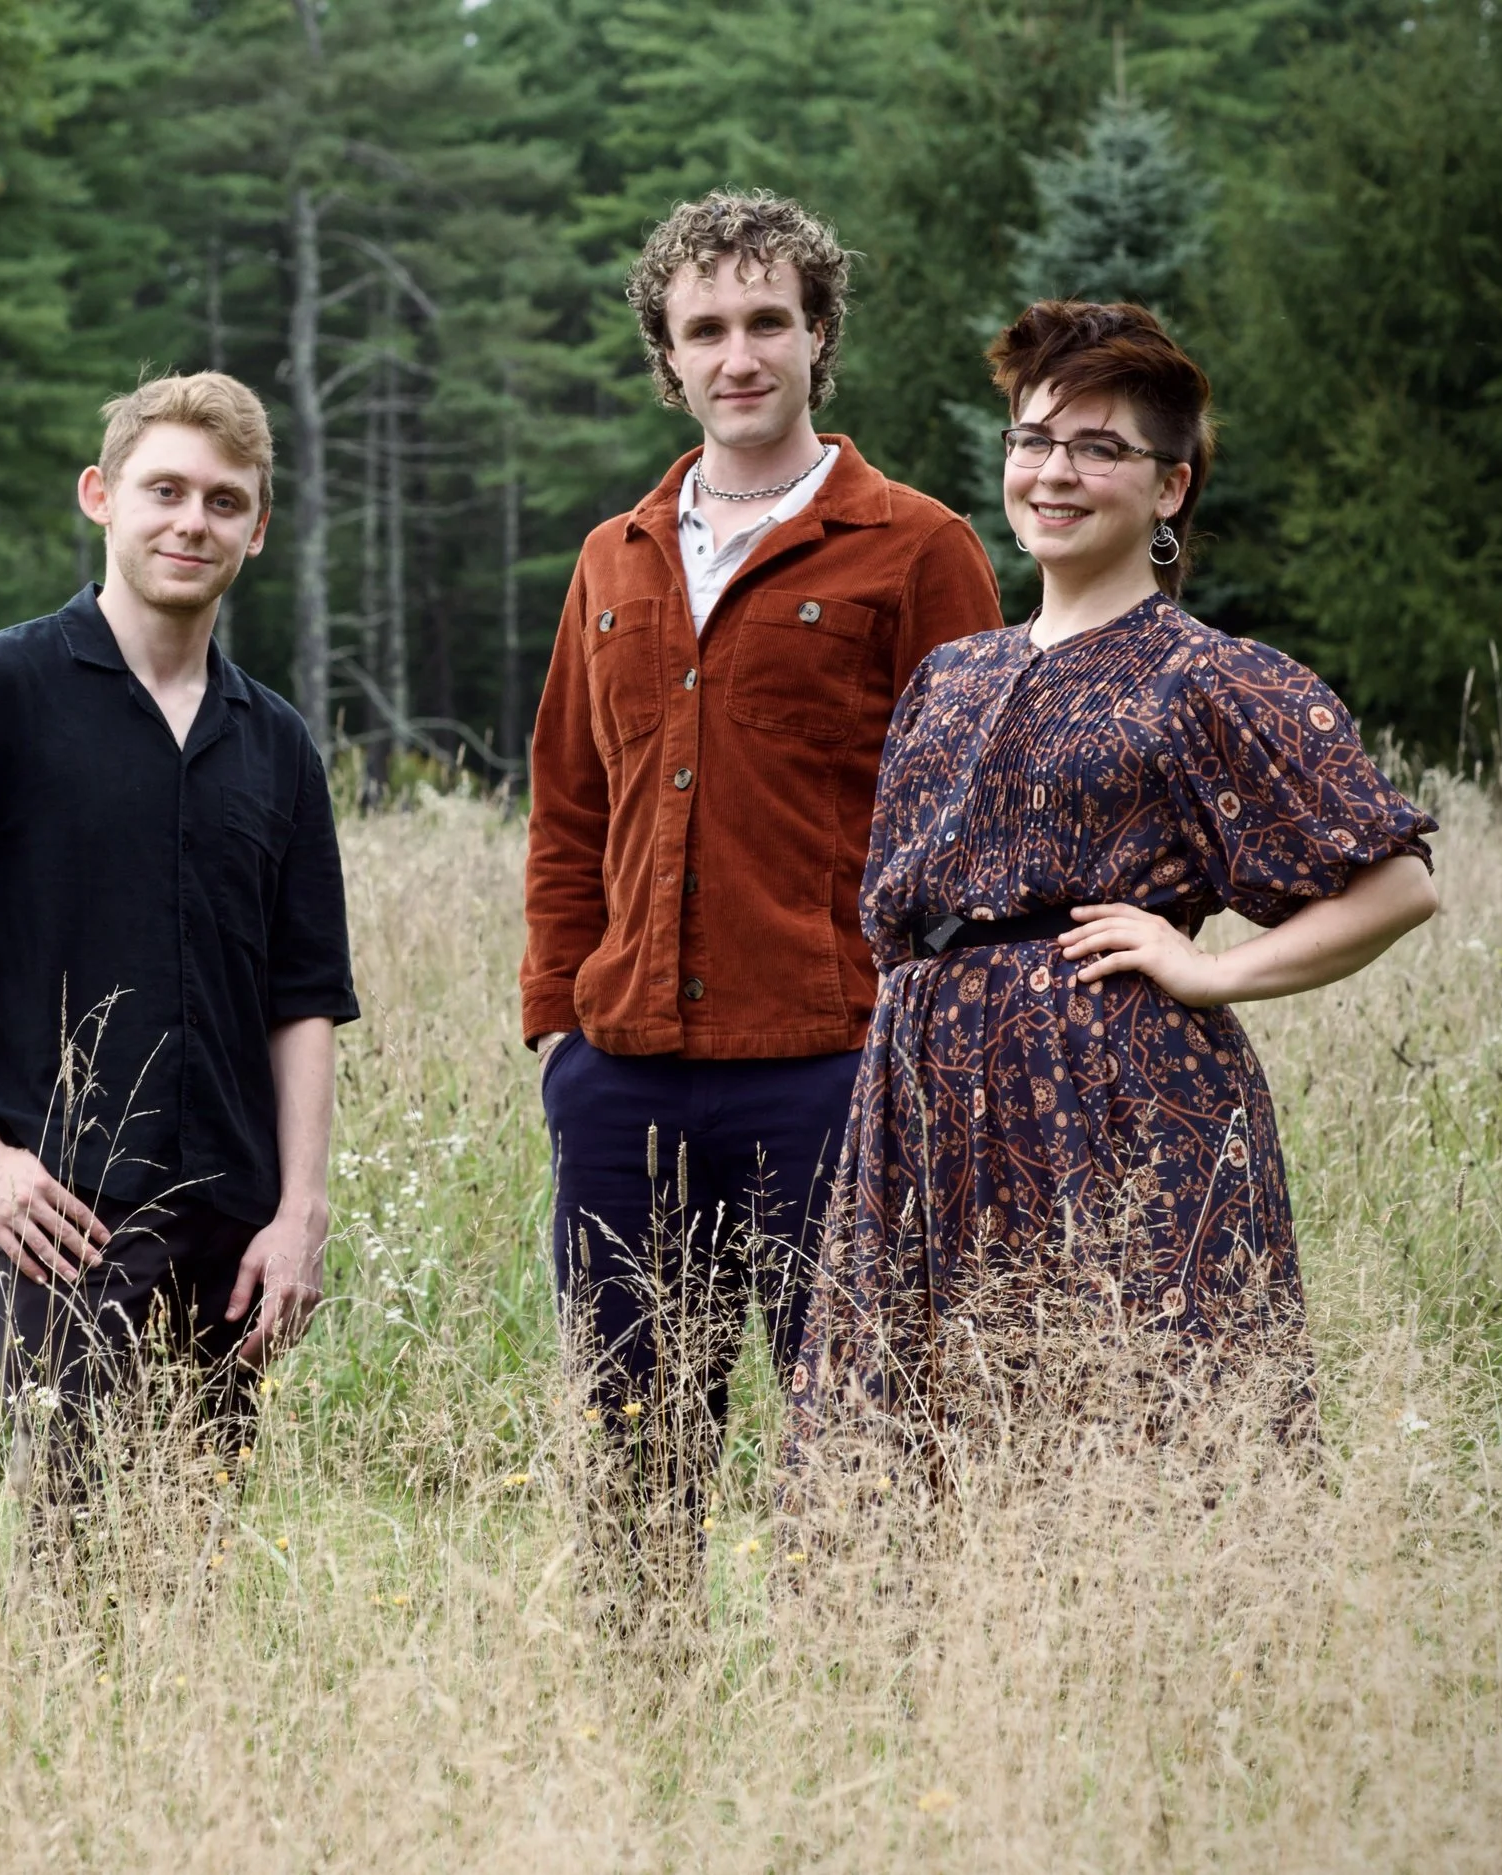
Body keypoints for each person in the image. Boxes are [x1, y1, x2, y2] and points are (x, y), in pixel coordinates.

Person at [787, 300, 1439, 1460]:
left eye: (1098, 448)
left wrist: (1210, 971)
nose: (1054, 473)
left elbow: (1394, 886)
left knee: (1132, 1438)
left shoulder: (1212, 678)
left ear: (1169, 488)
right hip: (923, 1099)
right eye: (1033, 440)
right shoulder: (950, 675)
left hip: (1116, 1103)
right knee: (913, 1451)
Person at [520, 189, 1006, 1610]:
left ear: (817, 337)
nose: (738, 355)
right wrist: (559, 1029)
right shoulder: (611, 558)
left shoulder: (916, 547)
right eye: (705, 329)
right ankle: (642, 1702)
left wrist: (930, 1043)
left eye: (768, 321)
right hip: (622, 1077)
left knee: (855, 1428)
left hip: (834, 1068)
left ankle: (851, 1702)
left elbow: (979, 820)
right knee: (631, 1436)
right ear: (667, 357)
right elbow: (569, 807)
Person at [0, 373, 358, 1565]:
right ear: (100, 497)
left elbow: (303, 1003)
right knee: (74, 1567)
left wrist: (299, 1211)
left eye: (224, 502)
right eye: (163, 491)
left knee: (193, 1566)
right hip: (64, 1219)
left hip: (235, 1231)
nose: (191, 522)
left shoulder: (276, 744)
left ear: (258, 529)